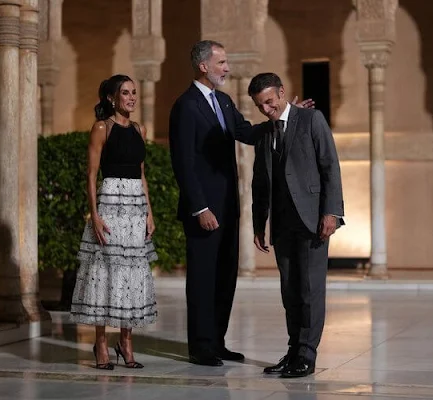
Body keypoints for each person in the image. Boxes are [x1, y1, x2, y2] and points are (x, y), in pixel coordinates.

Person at [169, 40, 313, 367]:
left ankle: (217, 342)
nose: (227, 68)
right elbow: (183, 162)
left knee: (224, 276)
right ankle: (201, 346)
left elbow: (246, 133)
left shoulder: (223, 100)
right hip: (203, 209)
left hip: (227, 206)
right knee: (203, 278)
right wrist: (199, 207)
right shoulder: (185, 105)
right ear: (203, 65)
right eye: (222, 62)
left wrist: (285, 117)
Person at [249, 72, 344, 378]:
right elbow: (260, 183)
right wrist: (258, 224)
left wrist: (331, 212)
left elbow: (330, 166)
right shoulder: (266, 133)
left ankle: (307, 354)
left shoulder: (311, 120)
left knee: (310, 290)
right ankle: (293, 352)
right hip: (282, 224)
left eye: (269, 101)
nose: (266, 109)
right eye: (260, 105)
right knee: (290, 291)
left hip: (312, 220)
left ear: (281, 93)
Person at [70, 74, 158, 370]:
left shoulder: (139, 129)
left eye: (134, 92)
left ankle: (126, 341)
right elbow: (91, 175)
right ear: (112, 98)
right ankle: (102, 344)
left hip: (135, 207)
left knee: (131, 275)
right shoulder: (101, 128)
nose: (132, 98)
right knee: (104, 272)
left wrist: (149, 211)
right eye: (125, 93)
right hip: (109, 205)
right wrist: (94, 215)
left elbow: (142, 173)